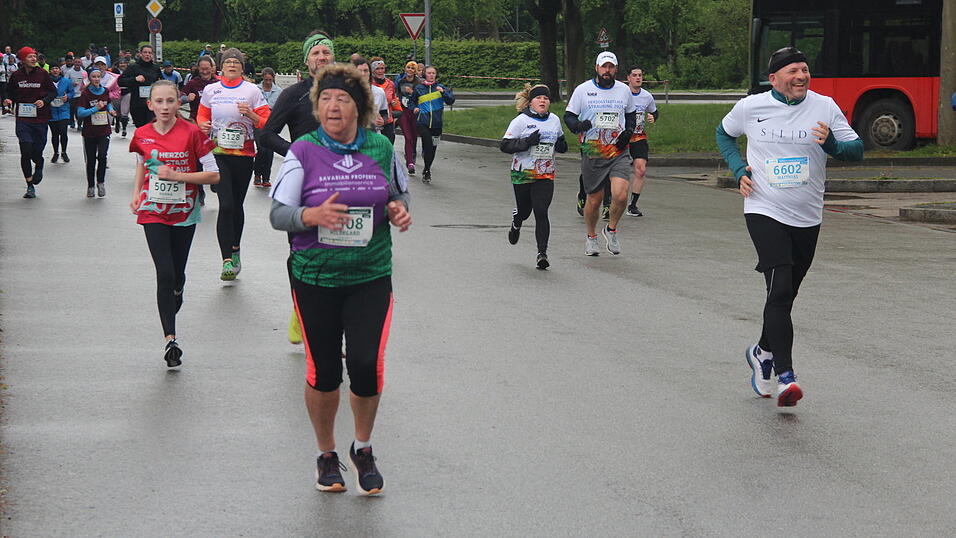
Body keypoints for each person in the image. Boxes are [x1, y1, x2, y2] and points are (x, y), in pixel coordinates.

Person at [268, 62, 411, 495]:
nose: (333, 106)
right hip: (315, 277)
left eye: (342, 99)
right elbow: (277, 214)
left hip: (370, 274)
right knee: (325, 371)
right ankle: (326, 453)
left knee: (367, 365)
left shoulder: (382, 149)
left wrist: (398, 208)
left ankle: (362, 449)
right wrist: (310, 215)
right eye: (326, 98)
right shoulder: (304, 152)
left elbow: (398, 192)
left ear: (359, 107)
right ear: (317, 106)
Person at [716, 46, 863, 407]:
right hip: (763, 208)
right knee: (780, 287)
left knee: (785, 295)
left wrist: (832, 144)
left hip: (807, 214)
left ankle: (762, 351)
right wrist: (738, 170)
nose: (801, 76)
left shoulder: (825, 106)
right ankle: (786, 376)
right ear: (774, 79)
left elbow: (856, 149)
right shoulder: (752, 107)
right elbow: (723, 134)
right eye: (793, 71)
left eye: (804, 69)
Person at [129, 80, 220, 368]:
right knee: (164, 272)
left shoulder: (192, 133)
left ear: (178, 102)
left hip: (184, 212)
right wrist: (136, 195)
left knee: (177, 275)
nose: (165, 107)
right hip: (153, 210)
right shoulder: (142, 134)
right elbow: (143, 162)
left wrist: (178, 177)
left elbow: (213, 175)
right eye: (160, 102)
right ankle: (171, 339)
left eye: (170, 101)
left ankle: (178, 291)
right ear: (150, 104)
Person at [258, 30, 336, 345]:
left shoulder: (347, 92)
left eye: (326, 53)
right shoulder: (295, 95)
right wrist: (297, 153)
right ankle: (300, 307)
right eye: (316, 53)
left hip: (339, 182)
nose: (322, 58)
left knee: (338, 250)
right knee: (300, 251)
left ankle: (332, 322)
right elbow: (267, 134)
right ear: (306, 60)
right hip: (300, 182)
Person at [197, 47, 271, 281]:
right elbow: (201, 115)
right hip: (218, 153)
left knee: (236, 205)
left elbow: (265, 122)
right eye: (228, 62)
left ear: (242, 67)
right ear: (221, 67)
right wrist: (203, 125)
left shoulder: (251, 91)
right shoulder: (211, 90)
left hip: (244, 154)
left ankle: (236, 249)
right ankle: (226, 259)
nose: (232, 65)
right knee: (226, 204)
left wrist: (250, 114)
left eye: (236, 62)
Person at [564, 51, 636, 256]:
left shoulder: (624, 90)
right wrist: (578, 125)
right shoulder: (583, 90)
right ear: (597, 68)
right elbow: (568, 116)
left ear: (616, 69)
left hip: (618, 150)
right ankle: (591, 237)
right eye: (604, 67)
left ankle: (611, 229)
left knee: (621, 195)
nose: (607, 71)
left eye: (611, 67)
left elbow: (631, 114)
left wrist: (628, 133)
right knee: (594, 200)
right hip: (593, 151)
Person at [500, 84, 568, 270]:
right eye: (539, 98)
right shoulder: (521, 121)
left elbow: (561, 140)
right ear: (531, 102)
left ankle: (542, 253)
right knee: (525, 212)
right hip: (523, 173)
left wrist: (562, 145)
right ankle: (517, 221)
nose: (543, 101)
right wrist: (527, 142)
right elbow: (505, 146)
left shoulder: (554, 120)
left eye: (546, 98)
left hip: (545, 173)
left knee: (541, 211)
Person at [3, 46, 57, 199]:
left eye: (35, 56)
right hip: (23, 119)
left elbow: (53, 92)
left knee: (37, 151)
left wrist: (44, 101)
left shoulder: (43, 74)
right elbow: (9, 91)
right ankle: (29, 185)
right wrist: (8, 99)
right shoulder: (16, 76)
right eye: (30, 57)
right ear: (23, 60)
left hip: (40, 118)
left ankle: (39, 166)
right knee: (25, 150)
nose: (34, 59)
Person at [76, 68, 117, 197]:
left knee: (102, 156)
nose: (96, 79)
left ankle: (101, 182)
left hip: (104, 129)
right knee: (91, 160)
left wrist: (111, 110)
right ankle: (91, 186)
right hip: (90, 131)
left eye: (98, 76)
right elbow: (80, 113)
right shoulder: (85, 94)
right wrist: (95, 109)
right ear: (89, 78)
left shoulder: (105, 91)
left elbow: (108, 104)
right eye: (94, 77)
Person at [410, 65, 454, 183]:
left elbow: (451, 100)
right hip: (422, 122)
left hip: (437, 124)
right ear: (425, 74)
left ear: (436, 75)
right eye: (429, 73)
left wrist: (444, 92)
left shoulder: (440, 87)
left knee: (433, 149)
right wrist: (414, 108)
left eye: (433, 73)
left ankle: (427, 169)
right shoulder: (419, 88)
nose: (431, 75)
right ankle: (427, 169)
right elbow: (411, 102)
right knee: (428, 144)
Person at [624, 66, 658, 217]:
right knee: (615, 171)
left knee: (641, 169)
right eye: (635, 75)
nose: (638, 78)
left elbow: (654, 111)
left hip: (638, 137)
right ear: (628, 78)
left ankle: (632, 204)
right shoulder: (622, 94)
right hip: (621, 136)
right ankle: (609, 201)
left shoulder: (647, 96)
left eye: (640, 75)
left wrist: (653, 117)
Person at [119, 44, 162, 127]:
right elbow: (120, 81)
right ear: (140, 54)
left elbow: (161, 81)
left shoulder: (155, 68)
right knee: (141, 128)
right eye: (145, 52)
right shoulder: (133, 67)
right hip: (137, 103)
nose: (147, 55)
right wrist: (134, 79)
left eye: (149, 53)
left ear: (152, 55)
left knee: (151, 127)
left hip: (152, 103)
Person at [253, 67, 283, 187]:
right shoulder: (256, 89)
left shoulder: (278, 91)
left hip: (272, 123)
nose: (268, 82)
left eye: (270, 80)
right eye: (266, 80)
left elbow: (280, 108)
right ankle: (257, 175)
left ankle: (266, 177)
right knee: (261, 148)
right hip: (258, 121)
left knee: (269, 150)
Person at [394, 61, 420, 175]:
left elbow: (421, 97)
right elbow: (397, 95)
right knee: (408, 137)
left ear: (415, 71)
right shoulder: (401, 81)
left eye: (412, 68)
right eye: (408, 68)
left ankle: (412, 154)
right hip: (403, 112)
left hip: (414, 112)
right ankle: (410, 163)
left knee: (414, 137)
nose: (410, 70)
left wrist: (412, 92)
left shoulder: (419, 83)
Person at [352, 57, 388, 135]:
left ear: (370, 73)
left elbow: (384, 113)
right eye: (359, 71)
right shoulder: (347, 93)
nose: (363, 74)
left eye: (365, 71)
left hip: (374, 136)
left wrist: (383, 121)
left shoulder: (379, 92)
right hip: (353, 136)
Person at [48, 64, 74, 163]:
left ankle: (64, 152)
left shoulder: (66, 81)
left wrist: (67, 96)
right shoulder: (47, 82)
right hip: (51, 111)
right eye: (53, 68)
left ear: (60, 70)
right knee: (54, 134)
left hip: (64, 110)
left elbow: (72, 92)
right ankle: (56, 153)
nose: (55, 70)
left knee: (63, 132)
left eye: (56, 68)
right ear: (50, 71)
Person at [370, 57, 399, 143]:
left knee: (388, 148)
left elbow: (394, 99)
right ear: (372, 70)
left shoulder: (390, 84)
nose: (380, 71)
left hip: (387, 121)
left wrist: (395, 103)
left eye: (382, 68)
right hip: (373, 122)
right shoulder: (368, 84)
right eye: (377, 69)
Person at [180, 56, 217, 123]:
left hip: (214, 122)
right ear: (198, 69)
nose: (205, 72)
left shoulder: (218, 84)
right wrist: (187, 98)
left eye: (207, 69)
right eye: (202, 69)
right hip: (196, 121)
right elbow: (179, 98)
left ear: (212, 68)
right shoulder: (193, 83)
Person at [65, 57, 88, 129]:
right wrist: (71, 84)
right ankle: (72, 122)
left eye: (79, 62)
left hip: (81, 93)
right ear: (73, 63)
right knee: (72, 109)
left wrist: (85, 87)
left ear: (81, 63)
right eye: (76, 62)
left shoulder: (84, 72)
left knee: (80, 109)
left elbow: (87, 82)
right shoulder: (69, 72)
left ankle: (79, 124)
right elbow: (65, 82)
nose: (77, 64)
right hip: (72, 94)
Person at [111, 58, 131, 137]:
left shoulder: (130, 71)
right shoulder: (114, 72)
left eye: (124, 63)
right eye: (121, 63)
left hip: (126, 92)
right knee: (117, 111)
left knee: (124, 112)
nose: (123, 65)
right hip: (116, 93)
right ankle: (117, 123)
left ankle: (124, 128)